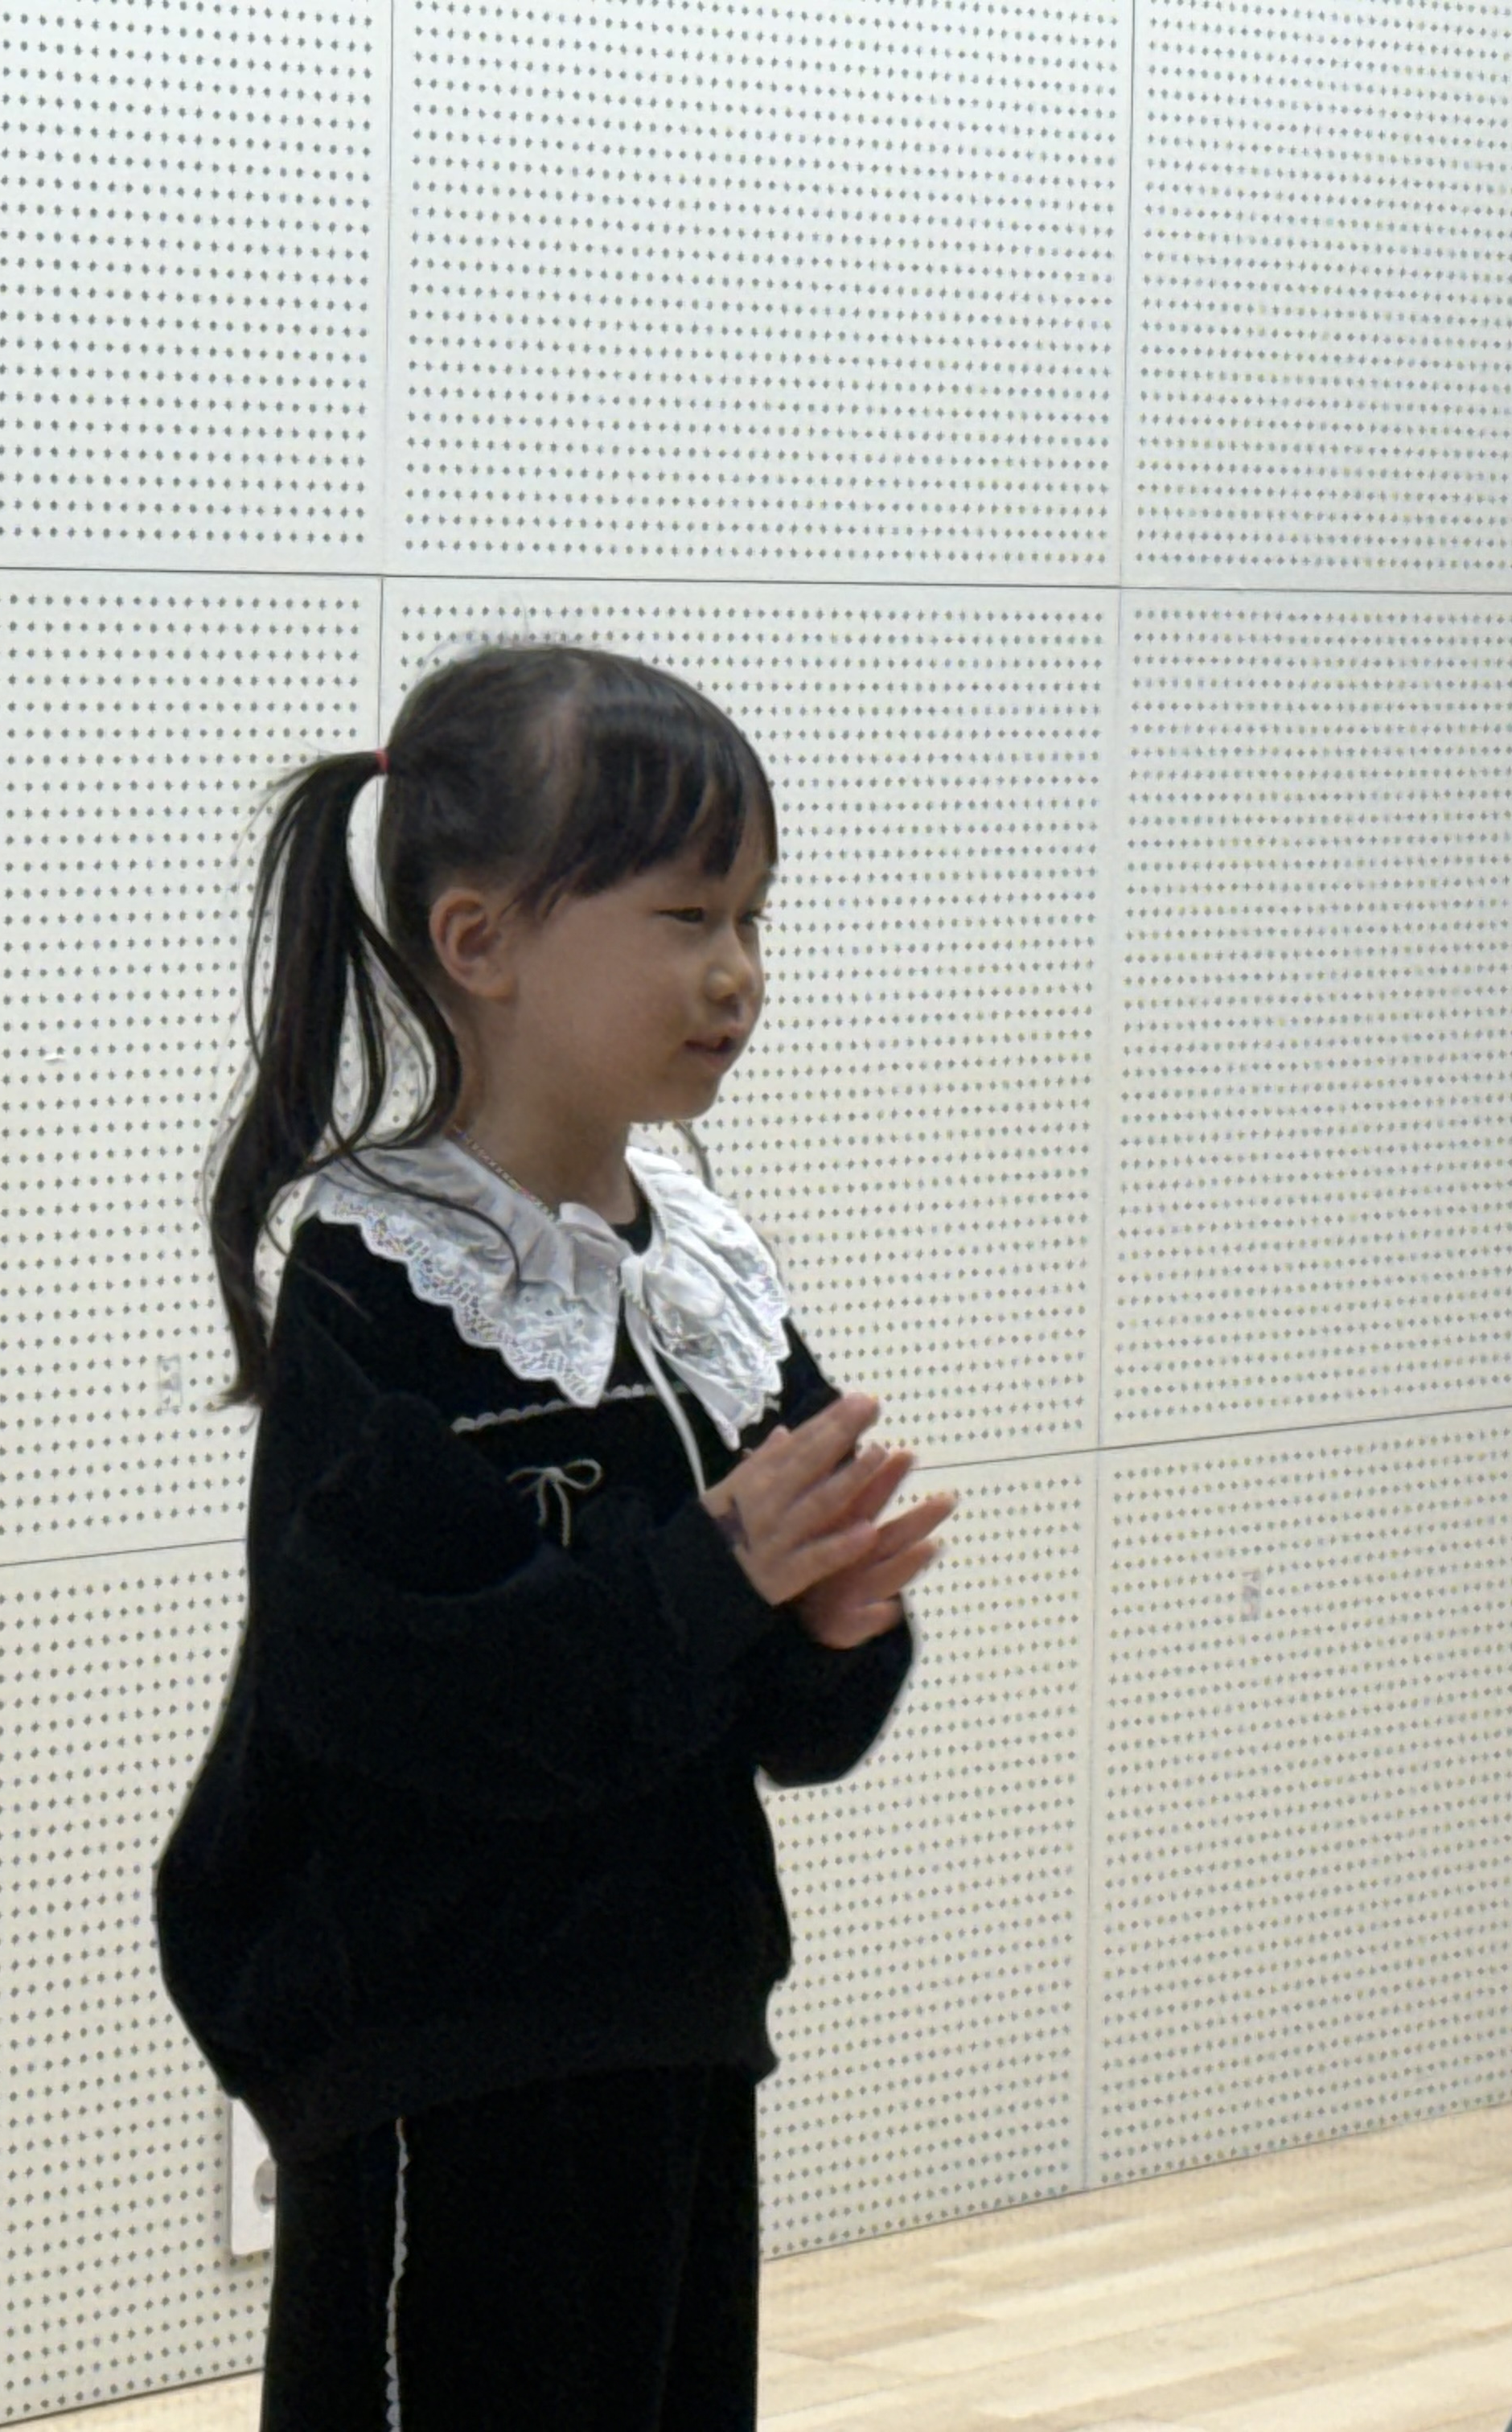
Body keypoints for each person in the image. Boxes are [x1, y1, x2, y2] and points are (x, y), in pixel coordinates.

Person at [157, 644, 953, 2429]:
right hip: (445, 2067)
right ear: (480, 942)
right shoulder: (376, 1286)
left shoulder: (704, 1273)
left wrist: (835, 1637)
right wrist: (716, 1578)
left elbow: (770, 1717)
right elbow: (418, 1699)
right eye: (684, 917)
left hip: (673, 2026)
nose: (737, 972)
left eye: (753, 917)